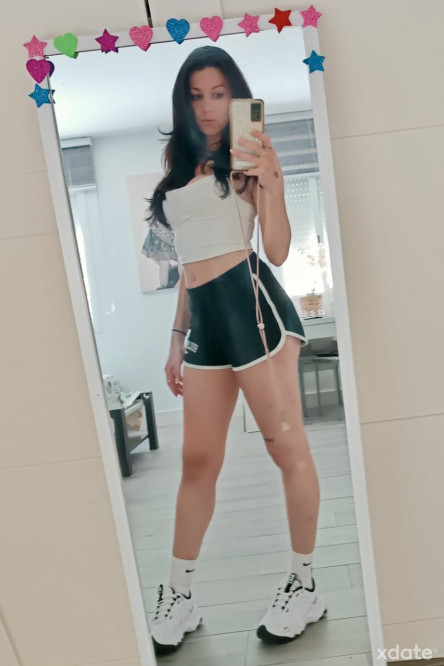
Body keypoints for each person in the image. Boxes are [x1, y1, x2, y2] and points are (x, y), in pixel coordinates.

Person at [146, 45, 327, 655]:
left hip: (253, 312)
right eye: (196, 95)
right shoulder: (177, 167)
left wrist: (273, 182)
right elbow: (186, 267)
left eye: (219, 94)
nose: (208, 107)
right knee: (198, 460)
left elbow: (275, 250)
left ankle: (305, 584)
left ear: (236, 97)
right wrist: (176, 340)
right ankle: (180, 595)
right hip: (206, 322)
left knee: (286, 449)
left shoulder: (248, 161)